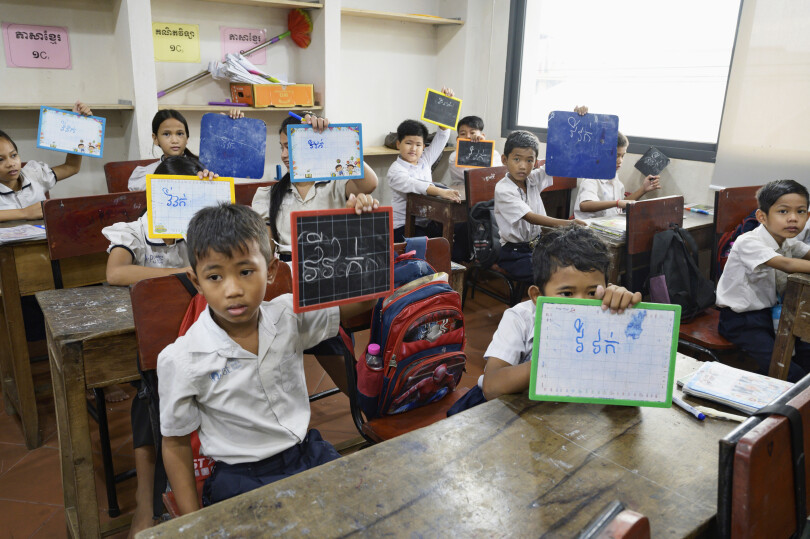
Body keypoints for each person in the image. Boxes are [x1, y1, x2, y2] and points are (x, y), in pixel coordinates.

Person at [158, 203, 376, 513]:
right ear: (197, 282)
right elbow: (176, 443)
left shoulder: (288, 314)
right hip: (239, 477)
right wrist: (191, 523)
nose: (233, 290)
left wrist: (360, 228)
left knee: (363, 512)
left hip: (305, 454)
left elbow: (366, 298)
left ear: (271, 270)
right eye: (215, 277)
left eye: (246, 272)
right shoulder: (183, 358)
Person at [103, 155, 218, 537]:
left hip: (203, 338)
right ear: (155, 196)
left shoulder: (201, 227)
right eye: (173, 195)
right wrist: (178, 273)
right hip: (156, 346)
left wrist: (215, 199)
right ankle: (144, 500)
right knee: (149, 394)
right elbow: (116, 272)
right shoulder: (134, 230)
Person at [448, 226, 642, 415]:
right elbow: (492, 386)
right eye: (567, 293)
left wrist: (623, 315)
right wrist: (555, 360)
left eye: (592, 292)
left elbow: (629, 389)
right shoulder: (521, 319)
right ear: (537, 296)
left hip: (557, 415)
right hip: (497, 411)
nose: (581, 305)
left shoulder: (606, 315)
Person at [251, 112, 379, 395]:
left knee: (308, 315)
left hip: (331, 273)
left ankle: (362, 392)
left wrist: (336, 139)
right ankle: (362, 393)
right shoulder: (268, 194)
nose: (285, 154)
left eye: (292, 146)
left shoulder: (334, 182)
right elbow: (265, 248)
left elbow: (369, 184)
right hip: (288, 280)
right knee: (301, 316)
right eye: (283, 146)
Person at [716, 179, 810, 381]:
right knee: (790, 372)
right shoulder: (748, 242)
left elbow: (806, 254)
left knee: (806, 355)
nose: (793, 218)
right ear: (762, 217)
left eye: (800, 212)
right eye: (783, 211)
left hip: (773, 315)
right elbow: (787, 264)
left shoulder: (789, 241)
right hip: (740, 321)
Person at [494, 129, 586, 282]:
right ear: (504, 160)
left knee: (570, 264)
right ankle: (543, 303)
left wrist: (574, 124)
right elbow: (530, 217)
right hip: (514, 253)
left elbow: (558, 158)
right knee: (551, 274)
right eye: (517, 159)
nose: (523, 166)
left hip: (537, 246)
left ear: (535, 162)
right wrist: (569, 224)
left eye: (529, 160)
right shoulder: (503, 189)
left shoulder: (533, 179)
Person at [388, 86, 461, 243]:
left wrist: (445, 105)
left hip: (425, 220)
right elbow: (415, 185)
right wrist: (441, 192)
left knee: (451, 237)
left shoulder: (425, 160)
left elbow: (441, 137)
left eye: (418, 145)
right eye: (408, 143)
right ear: (398, 144)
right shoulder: (395, 170)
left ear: (424, 147)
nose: (413, 149)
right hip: (402, 226)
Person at [0, 101, 93, 222]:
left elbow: (72, 166)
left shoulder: (34, 174)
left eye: (13, 155)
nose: (11, 163)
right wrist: (24, 213)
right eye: (0, 159)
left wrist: (76, 124)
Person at [128, 108, 243, 191]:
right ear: (155, 138)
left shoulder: (203, 168)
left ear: (187, 137)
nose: (174, 140)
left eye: (180, 134)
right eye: (166, 134)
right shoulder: (145, 174)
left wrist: (229, 128)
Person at [574, 128, 661, 220]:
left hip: (607, 225)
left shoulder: (614, 179)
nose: (620, 161)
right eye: (616, 156)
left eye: (623, 156)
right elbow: (585, 205)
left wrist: (643, 189)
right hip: (588, 227)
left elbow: (622, 203)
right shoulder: (591, 178)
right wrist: (617, 203)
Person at [447, 115, 501, 194]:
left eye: (472, 133)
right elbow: (473, 177)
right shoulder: (454, 156)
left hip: (488, 192)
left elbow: (496, 176)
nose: (468, 136)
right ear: (457, 139)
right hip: (462, 193)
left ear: (482, 136)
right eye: (463, 133)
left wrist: (484, 149)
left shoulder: (494, 154)